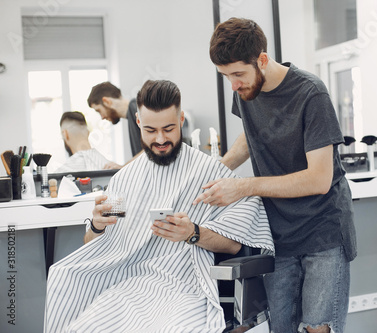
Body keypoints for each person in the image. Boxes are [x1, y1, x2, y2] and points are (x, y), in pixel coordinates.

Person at [44, 80, 274, 332]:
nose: (161, 139)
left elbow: (234, 243)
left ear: (181, 119)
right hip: (127, 284)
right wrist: (97, 226)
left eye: (168, 128)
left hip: (183, 286)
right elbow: (94, 244)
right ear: (138, 122)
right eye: (151, 130)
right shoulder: (125, 178)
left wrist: (193, 232)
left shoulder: (209, 172)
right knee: (72, 301)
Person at [194, 18, 357, 333]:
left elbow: (319, 179)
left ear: (263, 60)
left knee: (316, 327)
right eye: (225, 76)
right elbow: (251, 136)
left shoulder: (311, 94)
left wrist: (244, 187)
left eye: (238, 74)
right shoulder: (244, 88)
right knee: (280, 326)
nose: (233, 84)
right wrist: (217, 171)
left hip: (322, 229)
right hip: (278, 233)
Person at [87, 81, 142, 167]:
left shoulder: (136, 108)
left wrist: (123, 168)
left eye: (99, 111)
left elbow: (152, 150)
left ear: (107, 102)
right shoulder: (132, 113)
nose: (102, 117)